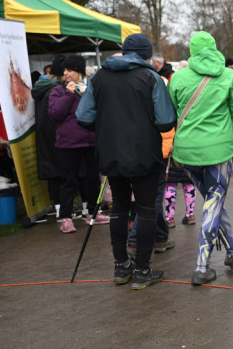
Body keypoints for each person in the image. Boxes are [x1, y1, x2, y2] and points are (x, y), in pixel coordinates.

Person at [76, 33, 176, 290]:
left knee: (119, 208)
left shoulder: (99, 77)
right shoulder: (151, 77)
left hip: (111, 152)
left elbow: (83, 116)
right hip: (145, 153)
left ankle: (121, 266)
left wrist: (107, 125)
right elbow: (166, 120)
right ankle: (142, 270)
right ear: (147, 55)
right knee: (146, 210)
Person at [168, 31, 233, 286]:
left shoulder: (178, 77)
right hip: (218, 152)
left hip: (186, 153)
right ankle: (201, 266)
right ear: (215, 48)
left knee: (212, 202)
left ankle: (232, 252)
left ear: (192, 51)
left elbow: (172, 113)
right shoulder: (229, 76)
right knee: (214, 203)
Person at [49, 55, 107, 232]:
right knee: (68, 181)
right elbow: (55, 114)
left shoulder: (90, 87)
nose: (66, 73)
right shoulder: (58, 91)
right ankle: (66, 218)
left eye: (70, 70)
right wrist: (69, 94)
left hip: (90, 141)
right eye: (64, 70)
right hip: (68, 144)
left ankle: (93, 213)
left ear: (79, 71)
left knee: (92, 180)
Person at [31, 55, 65, 222]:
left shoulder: (41, 88)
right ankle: (63, 210)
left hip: (45, 135)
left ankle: (59, 208)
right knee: (62, 172)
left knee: (53, 173)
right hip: (57, 134)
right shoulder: (55, 90)